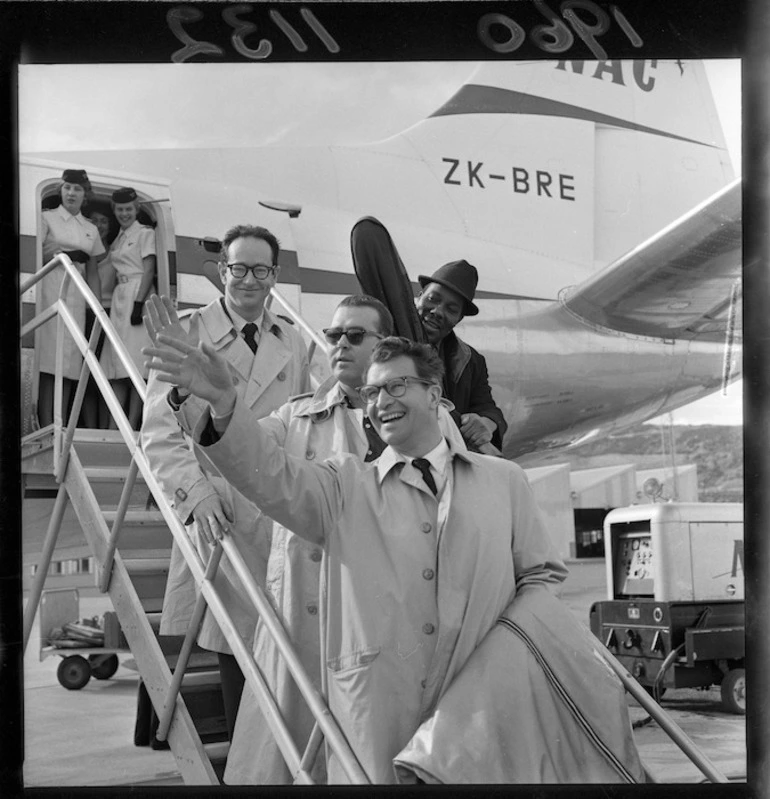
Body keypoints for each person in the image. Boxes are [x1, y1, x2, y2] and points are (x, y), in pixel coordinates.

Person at [143, 333, 567, 783]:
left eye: (396, 386)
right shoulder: (343, 486)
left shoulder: (505, 482)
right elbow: (268, 473)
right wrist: (226, 403)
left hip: (478, 711)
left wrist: (504, 660)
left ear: (435, 394)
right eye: (372, 391)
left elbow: (540, 578)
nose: (382, 400)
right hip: (375, 717)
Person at [140, 224, 310, 742]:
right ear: (222, 271)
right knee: (236, 649)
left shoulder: (294, 341)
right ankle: (247, 769)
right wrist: (197, 494)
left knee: (281, 647)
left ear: (274, 276)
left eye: (261, 270)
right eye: (239, 268)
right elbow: (159, 431)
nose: (249, 280)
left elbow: (302, 423)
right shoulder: (189, 333)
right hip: (218, 513)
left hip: (273, 512)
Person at [37, 168, 106, 428]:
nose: (71, 193)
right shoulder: (47, 218)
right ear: (61, 191)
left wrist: (96, 306)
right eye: (67, 188)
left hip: (76, 300)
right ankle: (45, 422)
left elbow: (93, 271)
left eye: (77, 189)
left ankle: (60, 421)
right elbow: (41, 251)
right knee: (48, 359)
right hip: (51, 293)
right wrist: (67, 253)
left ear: (84, 194)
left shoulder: (90, 228)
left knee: (70, 365)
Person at [415, 259, 508, 452]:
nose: (437, 311)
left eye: (451, 309)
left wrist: (485, 424)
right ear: (420, 295)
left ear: (459, 319)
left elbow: (488, 408)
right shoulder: (389, 344)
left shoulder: (472, 360)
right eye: (433, 299)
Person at [99, 188, 157, 430]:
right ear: (115, 210)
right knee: (116, 365)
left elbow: (149, 268)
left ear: (136, 210)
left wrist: (139, 302)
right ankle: (116, 424)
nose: (124, 214)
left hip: (137, 294)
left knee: (136, 364)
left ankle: (132, 424)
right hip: (121, 297)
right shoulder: (119, 238)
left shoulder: (144, 234)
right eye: (120, 209)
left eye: (129, 209)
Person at [82, 201, 118, 428]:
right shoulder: (84, 249)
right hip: (86, 312)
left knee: (104, 376)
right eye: (94, 220)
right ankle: (87, 425)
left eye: (104, 221)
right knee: (86, 377)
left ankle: (103, 427)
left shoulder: (117, 251)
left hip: (109, 316)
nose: (99, 225)